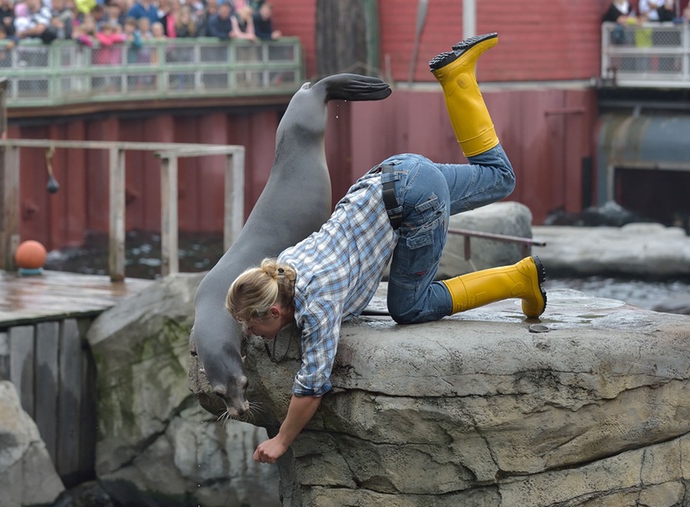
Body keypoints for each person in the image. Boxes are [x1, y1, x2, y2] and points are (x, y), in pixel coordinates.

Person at [224, 33, 547, 465]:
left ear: (276, 312)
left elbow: (311, 387)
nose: (248, 335)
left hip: (415, 202)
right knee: (500, 178)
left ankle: (518, 278)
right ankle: (458, 79)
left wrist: (282, 439)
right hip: (395, 172)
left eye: (250, 325)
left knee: (409, 307)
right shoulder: (284, 265)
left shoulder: (316, 306)